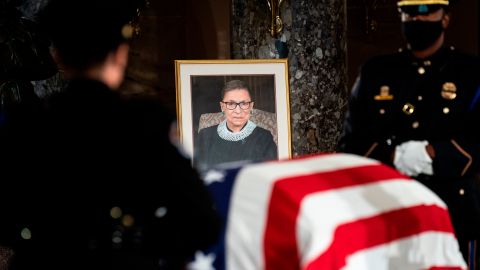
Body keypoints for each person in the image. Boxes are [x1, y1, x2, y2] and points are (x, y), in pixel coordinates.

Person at [0, 0, 220, 269]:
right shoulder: (144, 123)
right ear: (121, 54)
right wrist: (141, 250)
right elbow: (201, 221)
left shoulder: (26, 124)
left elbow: (7, 219)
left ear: (58, 57)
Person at [338, 0, 480, 266]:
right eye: (410, 13)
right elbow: (350, 145)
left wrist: (432, 154)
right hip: (387, 213)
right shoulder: (376, 72)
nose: (417, 20)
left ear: (445, 18)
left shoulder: (470, 72)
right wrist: (393, 155)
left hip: (452, 215)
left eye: (427, 12)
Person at [194, 79, 278, 172]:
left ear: (251, 106)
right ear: (222, 106)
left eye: (244, 103)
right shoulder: (205, 136)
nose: (238, 111)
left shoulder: (264, 138)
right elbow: (198, 175)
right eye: (231, 103)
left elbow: (269, 175)